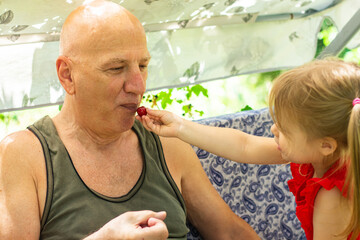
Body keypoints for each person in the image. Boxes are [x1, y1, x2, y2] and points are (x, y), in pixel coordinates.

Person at [0, 0, 260, 239]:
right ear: (67, 75)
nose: (138, 85)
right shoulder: (24, 155)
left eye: (143, 66)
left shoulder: (167, 145)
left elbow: (229, 233)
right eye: (116, 68)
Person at [138, 58, 360, 240]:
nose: (273, 129)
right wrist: (181, 127)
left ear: (326, 145)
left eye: (284, 130)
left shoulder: (332, 198)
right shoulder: (321, 154)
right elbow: (245, 146)